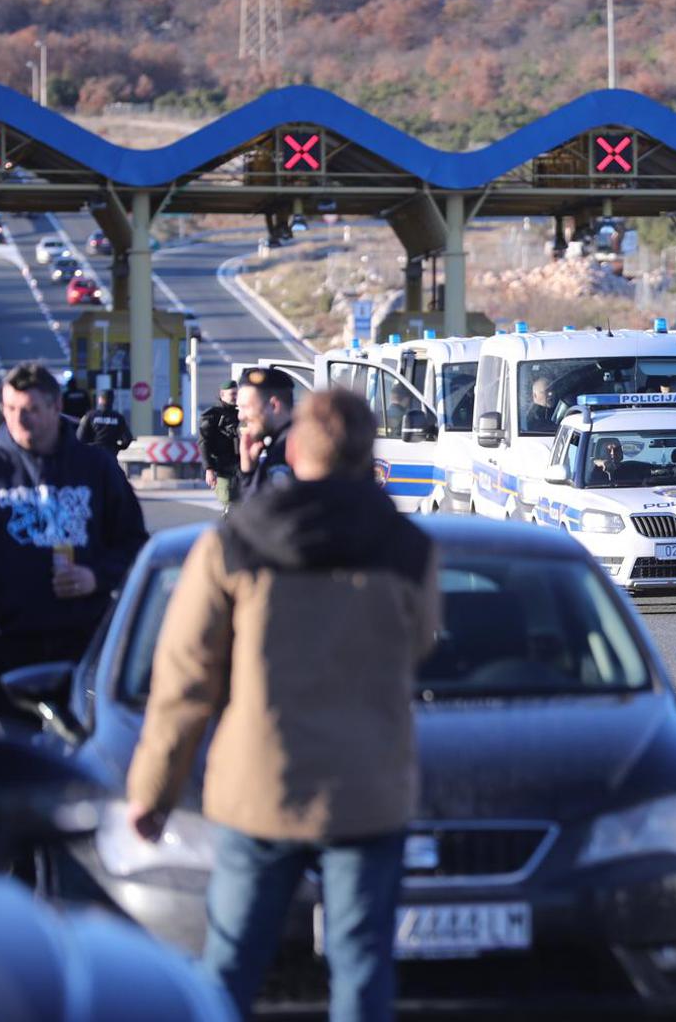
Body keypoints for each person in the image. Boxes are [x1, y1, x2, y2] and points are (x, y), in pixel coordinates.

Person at [125, 388, 441, 1022]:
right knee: (361, 963)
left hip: (259, 786)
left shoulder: (234, 542)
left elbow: (186, 678)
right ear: (367, 452)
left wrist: (153, 791)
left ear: (294, 449)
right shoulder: (408, 549)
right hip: (366, 787)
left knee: (231, 961)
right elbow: (421, 644)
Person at [0, 362, 147, 833]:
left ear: (57, 409)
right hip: (6, 641)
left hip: (80, 638)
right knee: (7, 744)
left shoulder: (94, 468)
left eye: (33, 409)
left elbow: (135, 545)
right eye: (12, 409)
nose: (20, 419)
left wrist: (95, 577)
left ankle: (71, 857)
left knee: (78, 746)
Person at [235, 366, 294, 503]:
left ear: (274, 406)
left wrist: (248, 477)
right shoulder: (283, 443)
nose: (240, 416)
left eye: (246, 407)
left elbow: (259, 516)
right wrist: (248, 469)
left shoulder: (286, 452)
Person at [199, 381, 241, 513]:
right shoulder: (213, 415)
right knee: (229, 502)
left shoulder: (241, 413)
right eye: (232, 394)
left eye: (237, 393)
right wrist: (209, 469)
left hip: (240, 466)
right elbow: (204, 442)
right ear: (222, 394)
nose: (235, 397)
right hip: (223, 468)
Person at [76, 388, 134, 455]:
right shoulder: (119, 418)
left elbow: (79, 438)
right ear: (113, 400)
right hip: (110, 457)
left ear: (99, 400)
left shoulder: (89, 416)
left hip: (93, 456)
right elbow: (128, 439)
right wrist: (117, 448)